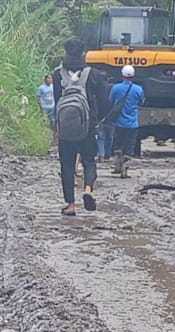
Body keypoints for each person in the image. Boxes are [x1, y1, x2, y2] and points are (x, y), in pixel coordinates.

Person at [52, 36, 110, 216]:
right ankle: (87, 190)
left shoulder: (57, 74)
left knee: (67, 166)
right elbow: (104, 102)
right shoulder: (94, 74)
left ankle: (70, 205)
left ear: (66, 52)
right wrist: (97, 119)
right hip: (87, 127)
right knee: (89, 162)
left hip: (66, 129)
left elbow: (56, 100)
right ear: (83, 53)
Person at [108, 64, 145, 177]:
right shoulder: (138, 89)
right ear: (133, 76)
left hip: (118, 123)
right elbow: (141, 102)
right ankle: (125, 170)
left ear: (122, 75)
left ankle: (117, 166)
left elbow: (110, 101)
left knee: (118, 146)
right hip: (132, 124)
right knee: (128, 148)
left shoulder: (115, 88)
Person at [37, 73, 56, 142]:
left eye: (51, 78)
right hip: (44, 107)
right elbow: (38, 97)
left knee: (53, 122)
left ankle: (54, 138)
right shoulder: (41, 88)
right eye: (48, 78)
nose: (50, 80)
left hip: (52, 107)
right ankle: (43, 137)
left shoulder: (53, 87)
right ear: (45, 79)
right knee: (44, 122)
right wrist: (41, 106)